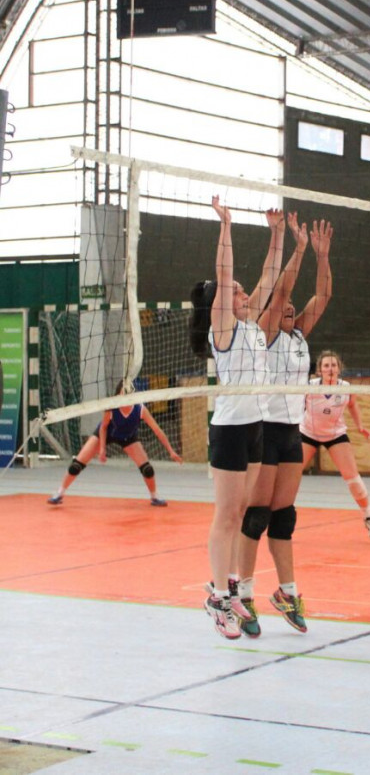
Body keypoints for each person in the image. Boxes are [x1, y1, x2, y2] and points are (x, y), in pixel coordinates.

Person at [234, 214, 333, 638]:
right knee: (255, 516)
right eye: (284, 303)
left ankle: (287, 592)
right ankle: (243, 594)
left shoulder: (299, 338)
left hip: (291, 430)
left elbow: (323, 295)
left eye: (293, 306)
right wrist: (298, 250)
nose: (290, 306)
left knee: (284, 517)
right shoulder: (266, 332)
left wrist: (323, 257)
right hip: (264, 429)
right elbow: (284, 293)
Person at [189, 196, 277, 640]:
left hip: (255, 428)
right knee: (226, 515)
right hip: (228, 430)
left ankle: (231, 590)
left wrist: (277, 234)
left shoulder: (253, 326)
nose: (244, 293)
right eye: (237, 292)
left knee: (242, 512)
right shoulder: (221, 328)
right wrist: (226, 226)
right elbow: (226, 276)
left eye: (243, 292)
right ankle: (217, 597)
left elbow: (269, 278)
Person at [47, 381, 183, 506]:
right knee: (76, 465)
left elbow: (157, 431)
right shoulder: (112, 406)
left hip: (128, 437)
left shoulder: (140, 409)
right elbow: (104, 427)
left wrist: (171, 451)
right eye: (125, 390)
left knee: (147, 469)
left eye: (131, 390)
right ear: (119, 393)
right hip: (107, 434)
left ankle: (154, 497)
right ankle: (59, 493)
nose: (128, 393)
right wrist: (102, 449)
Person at [300, 350, 370, 536]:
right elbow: (294, 404)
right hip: (307, 433)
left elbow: (352, 405)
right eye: (326, 366)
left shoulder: (345, 387)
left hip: (335, 435)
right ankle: (278, 518)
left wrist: (360, 426)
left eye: (333, 365)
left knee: (353, 479)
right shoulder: (309, 387)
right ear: (319, 370)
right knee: (290, 478)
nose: (330, 369)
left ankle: (369, 517)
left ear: (339, 368)